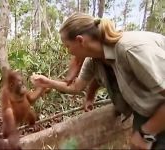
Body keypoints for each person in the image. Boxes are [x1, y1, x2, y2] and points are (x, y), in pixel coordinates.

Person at [30, 13, 165, 149]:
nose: (68, 52)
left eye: (67, 46)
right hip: (147, 109)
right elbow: (76, 87)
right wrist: (47, 82)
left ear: (80, 40)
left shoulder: (130, 50)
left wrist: (145, 134)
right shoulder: (94, 60)